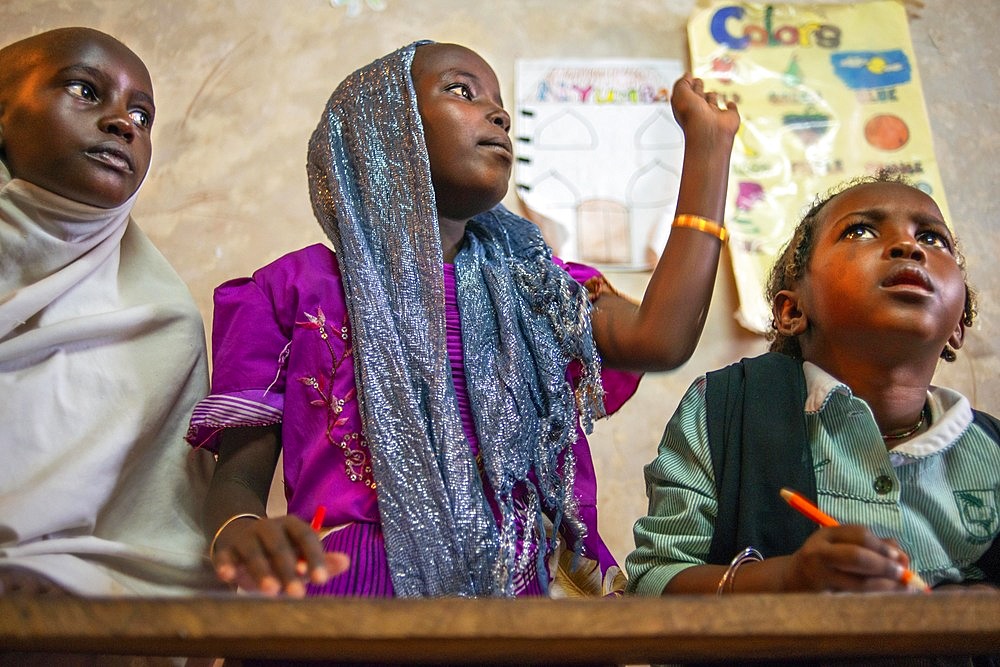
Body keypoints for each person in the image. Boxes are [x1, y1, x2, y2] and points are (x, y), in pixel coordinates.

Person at [187, 40, 739, 598]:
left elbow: (660, 337)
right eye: (461, 91)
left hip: (519, 603)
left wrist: (710, 151)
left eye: (498, 99)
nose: (497, 111)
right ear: (386, 126)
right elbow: (235, 481)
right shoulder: (292, 291)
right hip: (346, 600)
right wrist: (243, 535)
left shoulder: (541, 285)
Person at [627, 172, 1000, 595]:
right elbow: (651, 585)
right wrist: (787, 581)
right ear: (791, 311)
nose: (908, 246)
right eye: (860, 230)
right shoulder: (728, 408)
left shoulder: (991, 449)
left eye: (933, 239)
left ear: (958, 326)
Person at [0, 27, 219, 596]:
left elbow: (163, 553)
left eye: (143, 116)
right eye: (84, 90)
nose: (124, 124)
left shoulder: (162, 320)